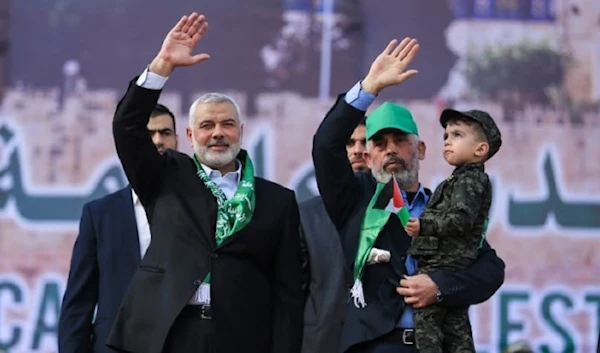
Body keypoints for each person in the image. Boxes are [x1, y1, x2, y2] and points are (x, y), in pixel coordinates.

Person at [106, 12, 304, 353]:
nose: (217, 133)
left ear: (241, 133)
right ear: (189, 134)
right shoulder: (166, 176)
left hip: (243, 336)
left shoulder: (278, 201)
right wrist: (161, 66)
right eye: (207, 125)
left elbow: (288, 293)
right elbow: (126, 127)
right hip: (169, 332)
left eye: (227, 124)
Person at [312, 37, 505, 353]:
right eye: (379, 143)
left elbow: (490, 269)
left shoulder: (444, 206)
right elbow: (325, 146)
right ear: (370, 155)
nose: (390, 148)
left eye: (399, 139)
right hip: (376, 346)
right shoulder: (355, 199)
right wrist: (368, 88)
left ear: (422, 150)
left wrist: (440, 288)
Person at [58, 103, 179, 353]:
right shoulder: (100, 214)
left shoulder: (199, 209)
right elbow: (78, 302)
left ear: (178, 139)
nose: (158, 141)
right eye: (148, 133)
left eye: (165, 133)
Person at [404, 109, 502, 353]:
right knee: (455, 328)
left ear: (480, 150)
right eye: (446, 135)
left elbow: (460, 220)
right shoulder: (462, 179)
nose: (447, 140)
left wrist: (423, 226)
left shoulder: (469, 181)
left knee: (427, 324)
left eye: (457, 134)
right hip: (449, 265)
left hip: (443, 264)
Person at [300, 118, 366, 353]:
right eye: (349, 143)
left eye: (366, 142)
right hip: (321, 342)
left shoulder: (398, 213)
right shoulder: (304, 215)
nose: (358, 150)